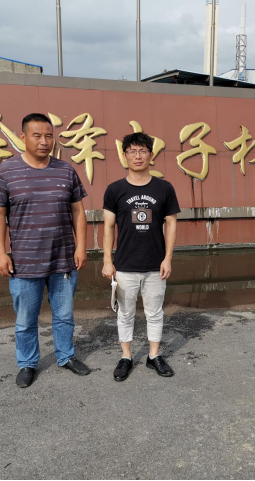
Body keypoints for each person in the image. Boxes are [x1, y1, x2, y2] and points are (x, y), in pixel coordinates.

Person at [0, 113, 91, 388]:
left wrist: (81, 247)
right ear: (23, 137)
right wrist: (0, 252)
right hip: (24, 262)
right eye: (37, 136)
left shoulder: (66, 170)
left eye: (48, 136)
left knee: (64, 316)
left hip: (63, 259)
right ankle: (28, 363)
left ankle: (66, 356)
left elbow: (78, 212)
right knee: (25, 320)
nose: (44, 141)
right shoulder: (6, 171)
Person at [102, 132, 180, 382]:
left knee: (154, 312)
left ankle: (153, 355)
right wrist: (107, 260)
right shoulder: (115, 190)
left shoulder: (164, 188)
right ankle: (126, 357)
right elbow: (108, 227)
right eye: (132, 152)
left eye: (143, 151)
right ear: (124, 156)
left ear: (151, 155)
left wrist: (168, 258)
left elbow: (171, 224)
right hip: (125, 265)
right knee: (125, 313)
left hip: (155, 264)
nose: (138, 156)